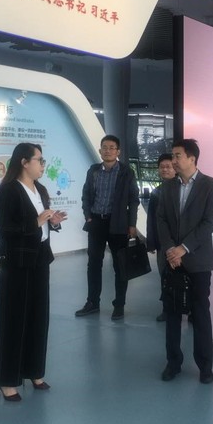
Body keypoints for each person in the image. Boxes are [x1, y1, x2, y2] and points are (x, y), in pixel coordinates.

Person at [0, 143, 67, 402]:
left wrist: (52, 222)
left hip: (40, 259)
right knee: (13, 320)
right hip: (16, 262)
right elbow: (4, 229)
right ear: (24, 162)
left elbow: (42, 224)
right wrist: (36, 221)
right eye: (39, 160)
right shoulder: (9, 191)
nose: (43, 165)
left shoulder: (40, 189)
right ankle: (8, 380)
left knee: (38, 317)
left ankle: (34, 371)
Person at [157, 139, 213, 384]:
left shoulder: (211, 185)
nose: (173, 160)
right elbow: (161, 219)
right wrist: (170, 250)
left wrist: (183, 248)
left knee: (200, 312)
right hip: (172, 260)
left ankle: (205, 365)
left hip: (198, 259)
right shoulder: (167, 187)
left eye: (178, 155)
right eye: (173, 155)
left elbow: (208, 223)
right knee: (172, 313)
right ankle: (173, 362)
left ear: (192, 158)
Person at [75, 134, 140, 320]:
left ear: (118, 151)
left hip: (118, 223)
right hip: (96, 222)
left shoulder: (126, 172)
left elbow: (133, 200)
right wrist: (88, 216)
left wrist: (132, 224)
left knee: (120, 265)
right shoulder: (93, 170)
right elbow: (86, 195)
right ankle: (92, 303)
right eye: (105, 147)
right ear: (100, 150)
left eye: (112, 148)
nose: (108, 151)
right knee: (93, 264)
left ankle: (119, 305)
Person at [147, 153, 176, 322]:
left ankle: (190, 309)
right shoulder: (156, 192)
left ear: (175, 168)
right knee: (164, 276)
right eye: (162, 167)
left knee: (185, 276)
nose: (165, 169)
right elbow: (151, 218)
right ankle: (167, 308)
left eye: (168, 166)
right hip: (162, 243)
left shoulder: (182, 189)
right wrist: (151, 242)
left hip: (180, 243)